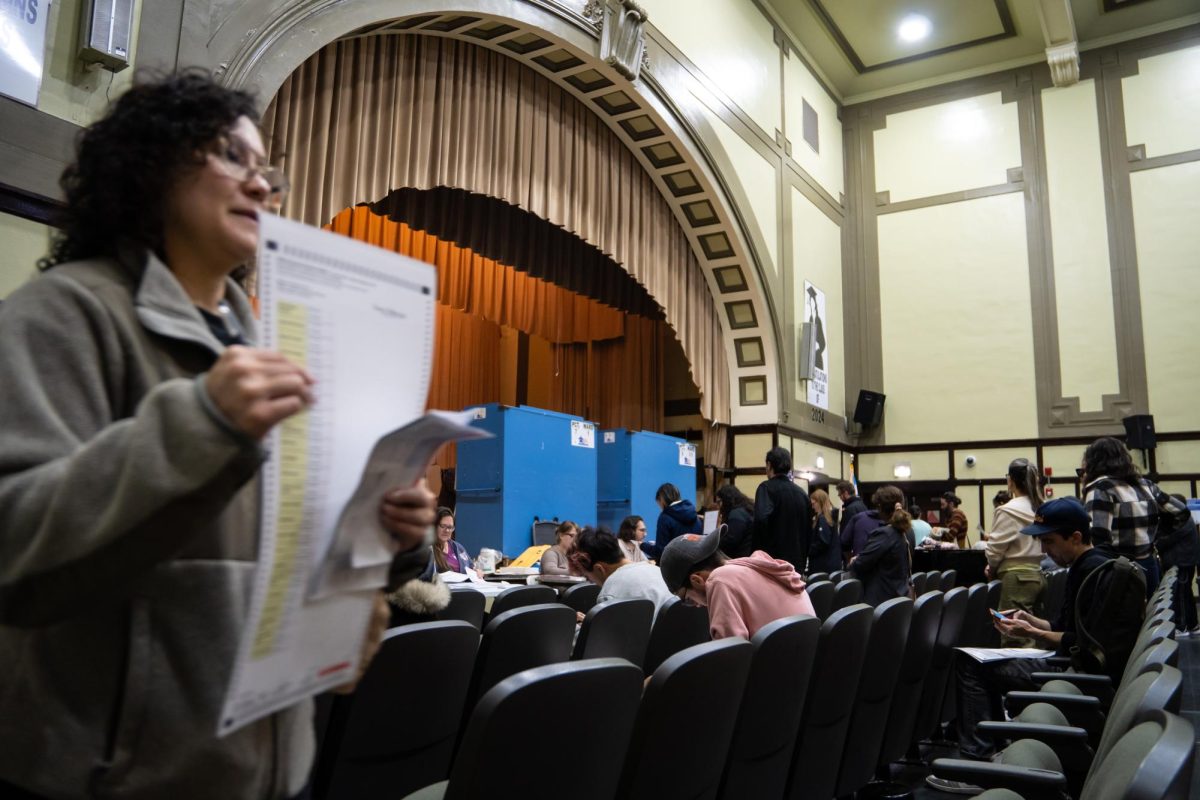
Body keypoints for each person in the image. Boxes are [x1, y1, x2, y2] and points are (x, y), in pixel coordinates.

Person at [0, 73, 437, 799]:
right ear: (151, 163)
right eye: (231, 157)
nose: (262, 187)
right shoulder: (63, 315)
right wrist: (199, 423)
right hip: (108, 775)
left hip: (259, 769)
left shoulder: (276, 347)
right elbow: (12, 545)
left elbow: (288, 549)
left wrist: (393, 537)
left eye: (267, 171)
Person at [927, 498, 1116, 792]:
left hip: (1070, 671)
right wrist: (1031, 622)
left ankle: (977, 762)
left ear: (1076, 537)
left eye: (1049, 541)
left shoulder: (1090, 572)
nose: (1043, 550)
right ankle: (994, 747)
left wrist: (1032, 632)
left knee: (970, 664)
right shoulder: (1089, 565)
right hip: (1068, 661)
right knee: (976, 659)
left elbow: (1080, 644)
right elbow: (1063, 629)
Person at [659, 531, 815, 640]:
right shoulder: (754, 568)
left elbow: (730, 658)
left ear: (697, 580)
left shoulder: (719, 579)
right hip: (804, 671)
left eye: (687, 599)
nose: (697, 606)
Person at [1080, 436, 1173, 594]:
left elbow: (1098, 537)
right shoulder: (1146, 485)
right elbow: (1180, 513)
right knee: (1149, 616)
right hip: (1149, 563)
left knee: (1121, 617)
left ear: (1093, 461)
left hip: (1118, 569)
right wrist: (1154, 537)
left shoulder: (1101, 488)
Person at [985, 459, 1045, 647]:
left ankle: (1017, 676)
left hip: (1016, 578)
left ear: (1010, 481)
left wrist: (991, 568)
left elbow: (995, 550)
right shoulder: (1039, 507)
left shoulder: (1007, 510)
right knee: (1035, 636)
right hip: (1038, 574)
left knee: (1015, 637)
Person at [570, 527, 673, 622]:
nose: (592, 582)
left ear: (599, 569)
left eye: (589, 577)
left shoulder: (610, 593)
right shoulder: (658, 572)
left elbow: (606, 640)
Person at [849, 486, 913, 606]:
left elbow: (860, 565)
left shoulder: (884, 534)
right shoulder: (908, 531)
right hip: (901, 597)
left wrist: (855, 560)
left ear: (880, 507)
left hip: (881, 601)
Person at [752, 447, 811, 571]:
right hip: (797, 565)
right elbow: (808, 531)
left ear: (769, 465)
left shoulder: (766, 488)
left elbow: (761, 521)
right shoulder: (802, 494)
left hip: (773, 563)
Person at [1156, 494, 1199, 636]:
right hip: (1186, 561)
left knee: (1180, 595)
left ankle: (1181, 626)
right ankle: (1192, 625)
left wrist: (1156, 543)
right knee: (1185, 594)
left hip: (1182, 561)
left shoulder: (1182, 522)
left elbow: (1165, 541)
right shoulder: (1185, 520)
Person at [641, 482, 702, 560]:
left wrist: (643, 545)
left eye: (659, 504)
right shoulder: (695, 515)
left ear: (662, 500)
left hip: (673, 566)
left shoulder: (665, 517)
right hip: (695, 563)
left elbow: (661, 552)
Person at [807, 489, 843, 573]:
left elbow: (823, 542)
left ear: (820, 502)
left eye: (813, 504)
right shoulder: (831, 517)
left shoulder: (823, 519)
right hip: (832, 562)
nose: (812, 507)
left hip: (823, 565)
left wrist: (809, 550)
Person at [714, 484, 755, 558]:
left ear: (726, 500)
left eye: (719, 502)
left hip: (739, 557)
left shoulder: (736, 514)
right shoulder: (747, 509)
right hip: (749, 555)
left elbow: (731, 540)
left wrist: (713, 543)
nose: (718, 505)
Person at [841, 494, 885, 562]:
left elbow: (844, 543)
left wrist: (852, 561)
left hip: (861, 566)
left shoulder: (857, 516)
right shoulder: (898, 527)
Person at [431, 507, 474, 575]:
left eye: (450, 527)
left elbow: (471, 567)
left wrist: (477, 571)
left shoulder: (458, 547)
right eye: (443, 526)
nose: (447, 530)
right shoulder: (428, 550)